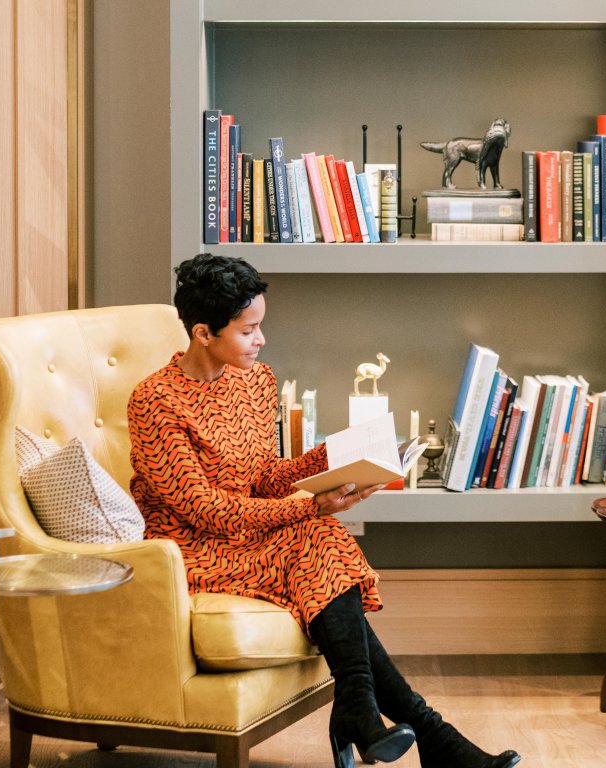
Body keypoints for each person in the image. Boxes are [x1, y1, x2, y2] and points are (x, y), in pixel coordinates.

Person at [127, 253, 521, 768]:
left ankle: (366, 708)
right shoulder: (155, 402)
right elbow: (206, 512)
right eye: (248, 331)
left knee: (319, 534)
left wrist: (336, 455)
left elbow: (263, 476)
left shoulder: (255, 382)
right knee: (317, 531)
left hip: (246, 535)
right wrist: (310, 506)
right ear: (203, 332)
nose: (261, 340)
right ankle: (420, 730)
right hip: (188, 551)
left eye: (261, 326)